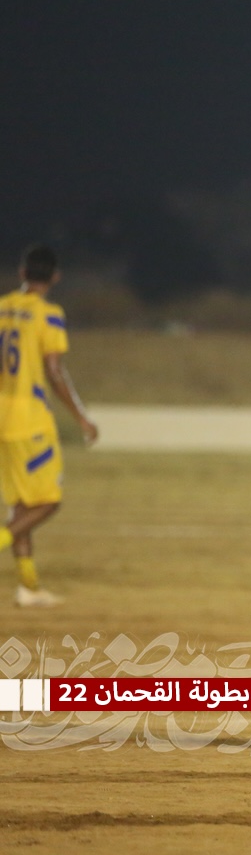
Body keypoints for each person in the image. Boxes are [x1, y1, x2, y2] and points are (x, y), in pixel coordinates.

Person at [0, 245, 99, 607]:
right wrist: (81, 416)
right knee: (48, 502)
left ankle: (29, 587)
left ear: (22, 272)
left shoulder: (2, 307)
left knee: (21, 507)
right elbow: (54, 371)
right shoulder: (49, 314)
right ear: (55, 277)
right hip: (29, 420)